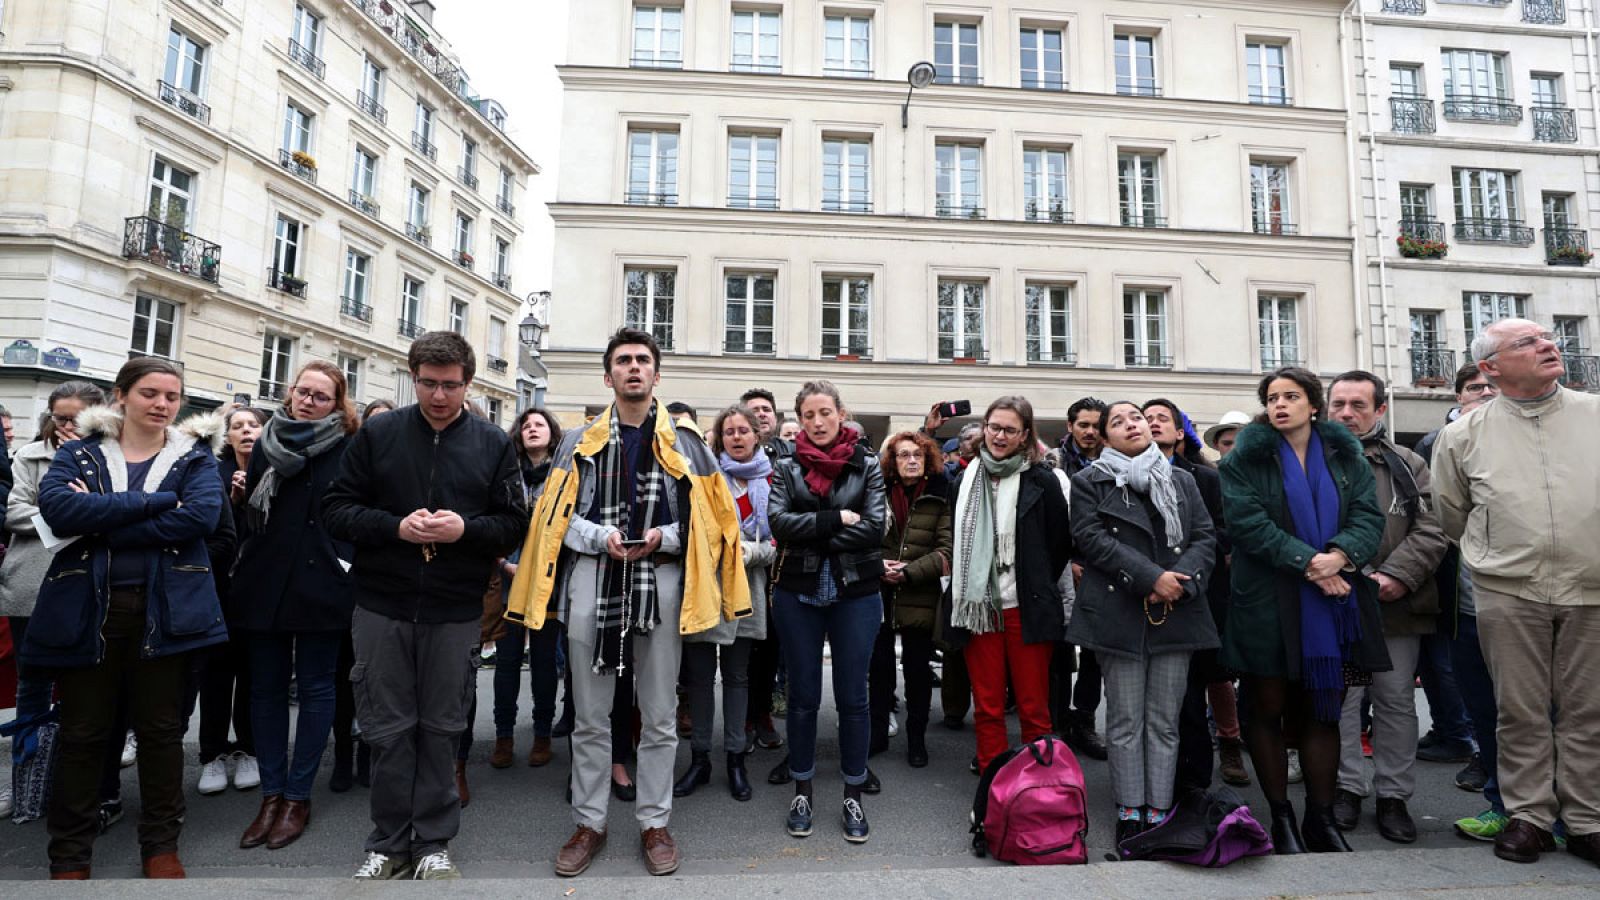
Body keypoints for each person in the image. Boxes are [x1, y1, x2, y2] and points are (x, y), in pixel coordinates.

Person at [506, 328, 750, 878]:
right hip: (594, 578)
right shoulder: (577, 441)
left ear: (657, 375)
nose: (634, 368)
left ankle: (654, 823)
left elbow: (710, 522)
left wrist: (664, 535)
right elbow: (554, 522)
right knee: (590, 716)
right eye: (623, 361)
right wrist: (600, 539)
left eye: (643, 360)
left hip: (661, 581)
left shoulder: (688, 444)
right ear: (609, 375)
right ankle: (589, 823)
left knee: (661, 715)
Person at [323, 332, 525, 880]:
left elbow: (513, 523)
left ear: (468, 383)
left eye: (451, 385)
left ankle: (434, 841)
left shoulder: (490, 442)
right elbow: (337, 510)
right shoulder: (379, 433)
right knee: (387, 729)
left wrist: (465, 529)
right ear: (413, 378)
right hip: (382, 603)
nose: (440, 396)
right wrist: (394, 527)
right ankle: (387, 843)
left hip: (455, 607)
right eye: (430, 383)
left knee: (441, 727)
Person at [23, 358, 228, 879]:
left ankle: (160, 846)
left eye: (172, 396)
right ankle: (69, 853)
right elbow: (60, 513)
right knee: (83, 733)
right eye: (150, 393)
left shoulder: (194, 458)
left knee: (161, 733)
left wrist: (106, 516)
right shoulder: (80, 452)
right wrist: (157, 502)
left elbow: (200, 518)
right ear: (121, 395)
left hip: (167, 611)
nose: (162, 405)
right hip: (89, 609)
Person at [1431, 318, 1600, 867]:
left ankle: (1586, 820)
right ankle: (1528, 816)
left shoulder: (1595, 414)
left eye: (1548, 336)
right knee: (1519, 710)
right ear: (1491, 368)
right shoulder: (1463, 435)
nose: (1548, 344)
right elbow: (1451, 514)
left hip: (1593, 587)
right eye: (1528, 342)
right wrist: (1504, 552)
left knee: (1588, 711)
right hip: (1509, 590)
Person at [1219, 366, 1389, 855]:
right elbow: (1246, 524)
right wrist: (1311, 562)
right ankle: (1282, 817)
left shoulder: (1344, 454)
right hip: (1268, 602)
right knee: (1266, 710)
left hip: (1331, 602)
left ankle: (1321, 818)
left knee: (1323, 714)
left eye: (1291, 396)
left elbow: (1368, 516)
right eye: (1272, 397)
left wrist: (1337, 556)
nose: (1280, 404)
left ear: (1312, 404)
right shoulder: (1243, 460)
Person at [1067, 401, 1217, 842]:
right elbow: (1091, 539)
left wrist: (1179, 583)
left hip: (1177, 611)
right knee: (1125, 720)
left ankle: (1160, 810)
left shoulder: (1183, 480)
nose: (1133, 424)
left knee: (1165, 720)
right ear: (1106, 438)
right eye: (1119, 421)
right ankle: (1130, 811)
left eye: (1137, 417)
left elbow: (1204, 538)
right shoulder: (1090, 480)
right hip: (1119, 610)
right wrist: (1152, 578)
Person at [232, 361, 360, 851]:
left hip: (322, 583)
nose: (308, 401)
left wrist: (343, 561)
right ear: (289, 393)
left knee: (315, 688)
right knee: (263, 690)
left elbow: (356, 509)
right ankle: (271, 794)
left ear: (337, 403)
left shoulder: (349, 445)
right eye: (303, 392)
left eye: (321, 396)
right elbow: (258, 513)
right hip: (266, 580)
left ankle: (297, 796)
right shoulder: (267, 441)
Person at [1325, 371, 1449, 844]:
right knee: (1344, 700)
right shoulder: (1311, 459)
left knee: (1395, 700)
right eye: (1339, 404)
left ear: (1379, 410)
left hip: (1395, 607)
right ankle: (1346, 788)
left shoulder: (1408, 462)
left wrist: (1397, 575)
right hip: (1335, 605)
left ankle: (1394, 796)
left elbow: (1433, 526)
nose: (1346, 414)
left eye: (1358, 405)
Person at [766, 380, 885, 843]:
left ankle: (853, 792)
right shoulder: (786, 464)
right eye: (809, 415)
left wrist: (810, 530)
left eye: (825, 413)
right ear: (799, 417)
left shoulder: (867, 462)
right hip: (797, 590)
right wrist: (837, 519)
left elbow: (875, 528)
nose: (817, 423)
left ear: (840, 414)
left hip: (857, 590)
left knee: (855, 698)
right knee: (802, 698)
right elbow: (778, 524)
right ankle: (803, 790)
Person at [950, 397, 1071, 777]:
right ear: (984, 428)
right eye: (994, 427)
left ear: (1024, 437)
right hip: (979, 608)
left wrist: (1032, 580)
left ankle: (1038, 788)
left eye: (1010, 430)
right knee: (986, 707)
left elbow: (1059, 544)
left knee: (1034, 709)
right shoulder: (964, 479)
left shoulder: (1044, 480)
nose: (1000, 436)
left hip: (1026, 607)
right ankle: (995, 786)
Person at [2, 382, 109, 781]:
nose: (67, 426)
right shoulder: (29, 456)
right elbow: (13, 513)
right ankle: (26, 777)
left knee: (84, 685)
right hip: (32, 581)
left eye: (76, 419)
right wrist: (75, 515)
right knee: (32, 680)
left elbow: (115, 507)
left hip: (89, 583)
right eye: (60, 418)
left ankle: (74, 777)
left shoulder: (112, 457)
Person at [674, 405, 776, 800]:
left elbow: (776, 542)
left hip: (747, 589)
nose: (735, 437)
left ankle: (736, 758)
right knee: (698, 679)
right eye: (728, 431)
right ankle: (700, 758)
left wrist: (748, 554)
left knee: (737, 678)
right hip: (704, 587)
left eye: (743, 431)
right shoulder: (705, 478)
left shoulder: (773, 480)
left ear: (756, 436)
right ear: (719, 438)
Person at [1143, 398, 1240, 794]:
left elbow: (1221, 534)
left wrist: (1180, 567)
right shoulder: (1126, 477)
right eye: (1145, 418)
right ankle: (1163, 778)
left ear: (1180, 432)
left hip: (1199, 596)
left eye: (1161, 419)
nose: (1152, 424)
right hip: (1150, 598)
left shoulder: (1204, 478)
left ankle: (1201, 777)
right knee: (1167, 699)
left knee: (1200, 687)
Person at [1428, 364, 1507, 841]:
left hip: (1535, 602)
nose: (1484, 394)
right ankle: (1501, 800)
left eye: (1491, 387)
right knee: (1486, 709)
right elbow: (1444, 516)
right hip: (1469, 606)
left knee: (1550, 713)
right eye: (1475, 387)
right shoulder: (1442, 446)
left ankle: (1567, 810)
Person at [869, 430, 952, 769]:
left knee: (917, 671)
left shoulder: (941, 494)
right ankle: (876, 733)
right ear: (893, 461)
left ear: (928, 459)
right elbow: (864, 537)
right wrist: (879, 566)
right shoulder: (878, 493)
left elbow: (946, 549)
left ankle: (916, 738)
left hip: (920, 592)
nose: (912, 460)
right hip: (880, 592)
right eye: (903, 455)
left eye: (917, 455)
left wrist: (909, 572)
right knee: (879, 669)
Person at [489, 408, 564, 770]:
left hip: (546, 582)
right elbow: (492, 519)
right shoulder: (505, 472)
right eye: (527, 425)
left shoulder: (563, 475)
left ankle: (542, 735)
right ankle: (504, 737)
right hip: (508, 579)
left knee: (544, 664)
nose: (533, 429)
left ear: (552, 432)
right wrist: (504, 562)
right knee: (506, 663)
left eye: (540, 424)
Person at [196, 406, 265, 795]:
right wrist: (231, 500)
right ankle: (212, 755)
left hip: (258, 593)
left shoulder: (275, 473)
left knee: (253, 677)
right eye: (236, 426)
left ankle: (248, 750)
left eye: (253, 425)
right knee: (216, 676)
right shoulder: (211, 474)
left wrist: (250, 499)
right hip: (217, 592)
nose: (245, 431)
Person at [1047, 398, 1109, 762]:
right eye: (1083, 425)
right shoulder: (1052, 464)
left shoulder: (1113, 462)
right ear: (1070, 426)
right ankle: (1055, 721)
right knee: (1057, 650)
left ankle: (1084, 718)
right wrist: (1068, 561)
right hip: (1061, 566)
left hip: (1100, 569)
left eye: (1096, 426)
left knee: (1094, 655)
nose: (1090, 432)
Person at [737, 388, 787, 753]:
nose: (760, 415)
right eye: (753, 410)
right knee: (741, 649)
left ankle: (762, 714)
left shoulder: (787, 459)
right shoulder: (724, 462)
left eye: (766, 410)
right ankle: (741, 718)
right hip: (738, 566)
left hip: (778, 569)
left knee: (770, 648)